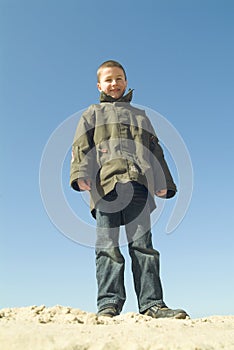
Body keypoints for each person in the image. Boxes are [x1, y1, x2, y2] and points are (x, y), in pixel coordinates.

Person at [70, 60, 188, 319]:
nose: (114, 83)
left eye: (119, 78)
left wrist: (163, 182)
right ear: (99, 85)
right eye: (109, 79)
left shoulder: (140, 116)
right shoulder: (92, 114)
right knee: (107, 247)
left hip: (138, 187)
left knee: (143, 246)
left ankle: (153, 304)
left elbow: (155, 150)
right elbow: (81, 146)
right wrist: (80, 174)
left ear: (126, 81)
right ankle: (108, 304)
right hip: (104, 187)